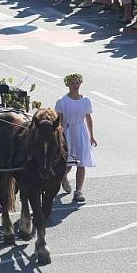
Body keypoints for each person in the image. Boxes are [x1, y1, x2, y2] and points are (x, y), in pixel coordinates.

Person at [54, 73, 96, 203]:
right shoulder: (62, 101)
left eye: (77, 83)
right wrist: (59, 135)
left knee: (81, 163)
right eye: (72, 83)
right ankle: (63, 177)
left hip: (81, 132)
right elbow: (59, 120)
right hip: (67, 132)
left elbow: (88, 118)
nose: (75, 85)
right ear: (68, 85)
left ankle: (78, 192)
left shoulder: (85, 101)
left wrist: (91, 136)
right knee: (68, 163)